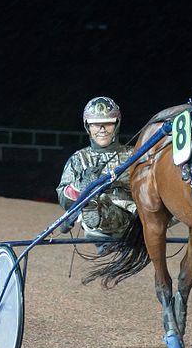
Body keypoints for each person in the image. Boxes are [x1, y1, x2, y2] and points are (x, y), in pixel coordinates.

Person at [55, 96, 136, 252]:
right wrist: (81, 186)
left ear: (116, 124)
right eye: (95, 125)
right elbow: (63, 196)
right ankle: (92, 209)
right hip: (99, 218)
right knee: (93, 201)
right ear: (88, 127)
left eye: (108, 124)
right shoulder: (79, 159)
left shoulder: (134, 154)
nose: (102, 129)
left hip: (134, 215)